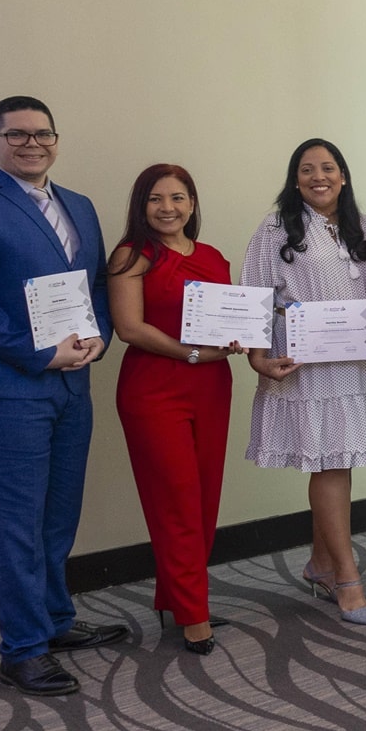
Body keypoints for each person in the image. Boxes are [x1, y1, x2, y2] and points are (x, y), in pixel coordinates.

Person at [0, 96, 128, 696]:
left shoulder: (80, 205)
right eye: (16, 135)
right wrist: (39, 353)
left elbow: (96, 285)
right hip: (5, 389)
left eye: (42, 134)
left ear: (56, 141)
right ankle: (22, 649)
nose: (31, 143)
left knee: (58, 515)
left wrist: (98, 337)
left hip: (72, 384)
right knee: (18, 523)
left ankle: (55, 620)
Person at [243, 139, 366, 626]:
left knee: (338, 462)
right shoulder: (274, 229)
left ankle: (322, 563)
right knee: (330, 465)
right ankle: (347, 577)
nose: (318, 177)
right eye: (307, 170)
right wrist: (257, 357)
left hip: (354, 363)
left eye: (328, 168)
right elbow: (254, 294)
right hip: (303, 363)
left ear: (343, 175)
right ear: (295, 180)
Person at [108, 164, 241, 655]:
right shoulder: (131, 255)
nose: (168, 208)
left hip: (211, 386)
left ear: (192, 203)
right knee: (176, 501)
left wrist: (236, 339)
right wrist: (192, 353)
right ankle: (193, 614)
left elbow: (228, 319)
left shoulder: (212, 257)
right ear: (140, 206)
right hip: (155, 390)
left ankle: (177, 599)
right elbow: (130, 328)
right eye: (156, 199)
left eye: (178, 198)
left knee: (203, 500)